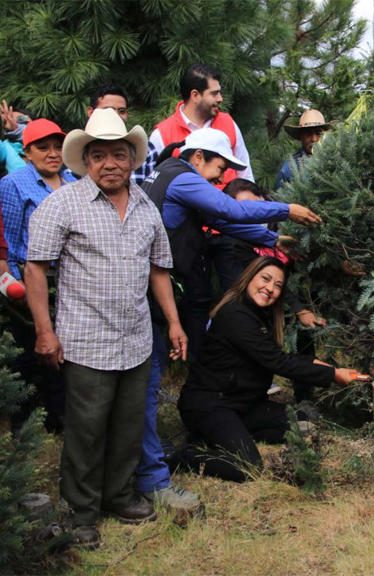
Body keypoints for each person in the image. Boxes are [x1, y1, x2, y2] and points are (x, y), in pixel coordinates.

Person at [23, 108, 188, 550]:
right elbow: (35, 268)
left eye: (119, 154)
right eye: (99, 155)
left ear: (133, 158)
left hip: (136, 338)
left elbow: (158, 269)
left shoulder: (145, 205)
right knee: (86, 427)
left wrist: (173, 323)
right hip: (85, 339)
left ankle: (118, 495)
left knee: (129, 423)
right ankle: (80, 512)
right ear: (86, 160)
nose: (109, 163)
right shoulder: (62, 204)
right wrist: (45, 330)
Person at [136, 128, 321, 507]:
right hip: (154, 295)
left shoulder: (169, 176)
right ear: (199, 156)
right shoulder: (182, 176)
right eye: (220, 168)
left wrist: (270, 240)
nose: (222, 179)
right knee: (148, 382)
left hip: (160, 293)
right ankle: (154, 465)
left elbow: (222, 222)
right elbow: (230, 209)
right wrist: (287, 210)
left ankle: (163, 449)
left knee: (151, 381)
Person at [175, 256, 360, 482]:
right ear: (249, 277)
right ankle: (187, 455)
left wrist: (325, 366)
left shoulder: (261, 315)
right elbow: (277, 362)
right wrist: (333, 375)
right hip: (210, 403)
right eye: (265, 279)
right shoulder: (236, 315)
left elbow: (279, 356)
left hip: (243, 404)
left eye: (278, 285)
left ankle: (225, 435)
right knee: (247, 468)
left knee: (303, 423)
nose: (270, 288)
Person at [0, 118, 75, 431]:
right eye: (43, 147)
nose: (52, 153)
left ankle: (61, 417)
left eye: (58, 146)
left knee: (65, 351)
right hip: (31, 278)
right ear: (27, 152)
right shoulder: (13, 184)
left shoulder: (73, 181)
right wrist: (15, 283)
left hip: (70, 279)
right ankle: (27, 425)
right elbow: (10, 238)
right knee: (31, 350)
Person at [141, 63, 253, 187]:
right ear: (195, 95)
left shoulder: (228, 123)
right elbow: (154, 185)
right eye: (214, 93)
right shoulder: (162, 134)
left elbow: (246, 175)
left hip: (230, 204)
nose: (220, 99)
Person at [87, 83, 156, 186]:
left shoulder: (147, 149)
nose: (115, 115)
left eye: (122, 111)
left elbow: (152, 191)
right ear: (90, 112)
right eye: (108, 110)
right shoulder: (77, 148)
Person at [275, 109, 332, 189]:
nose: (314, 139)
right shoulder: (289, 169)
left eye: (318, 133)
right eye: (308, 133)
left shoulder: (335, 160)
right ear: (301, 136)